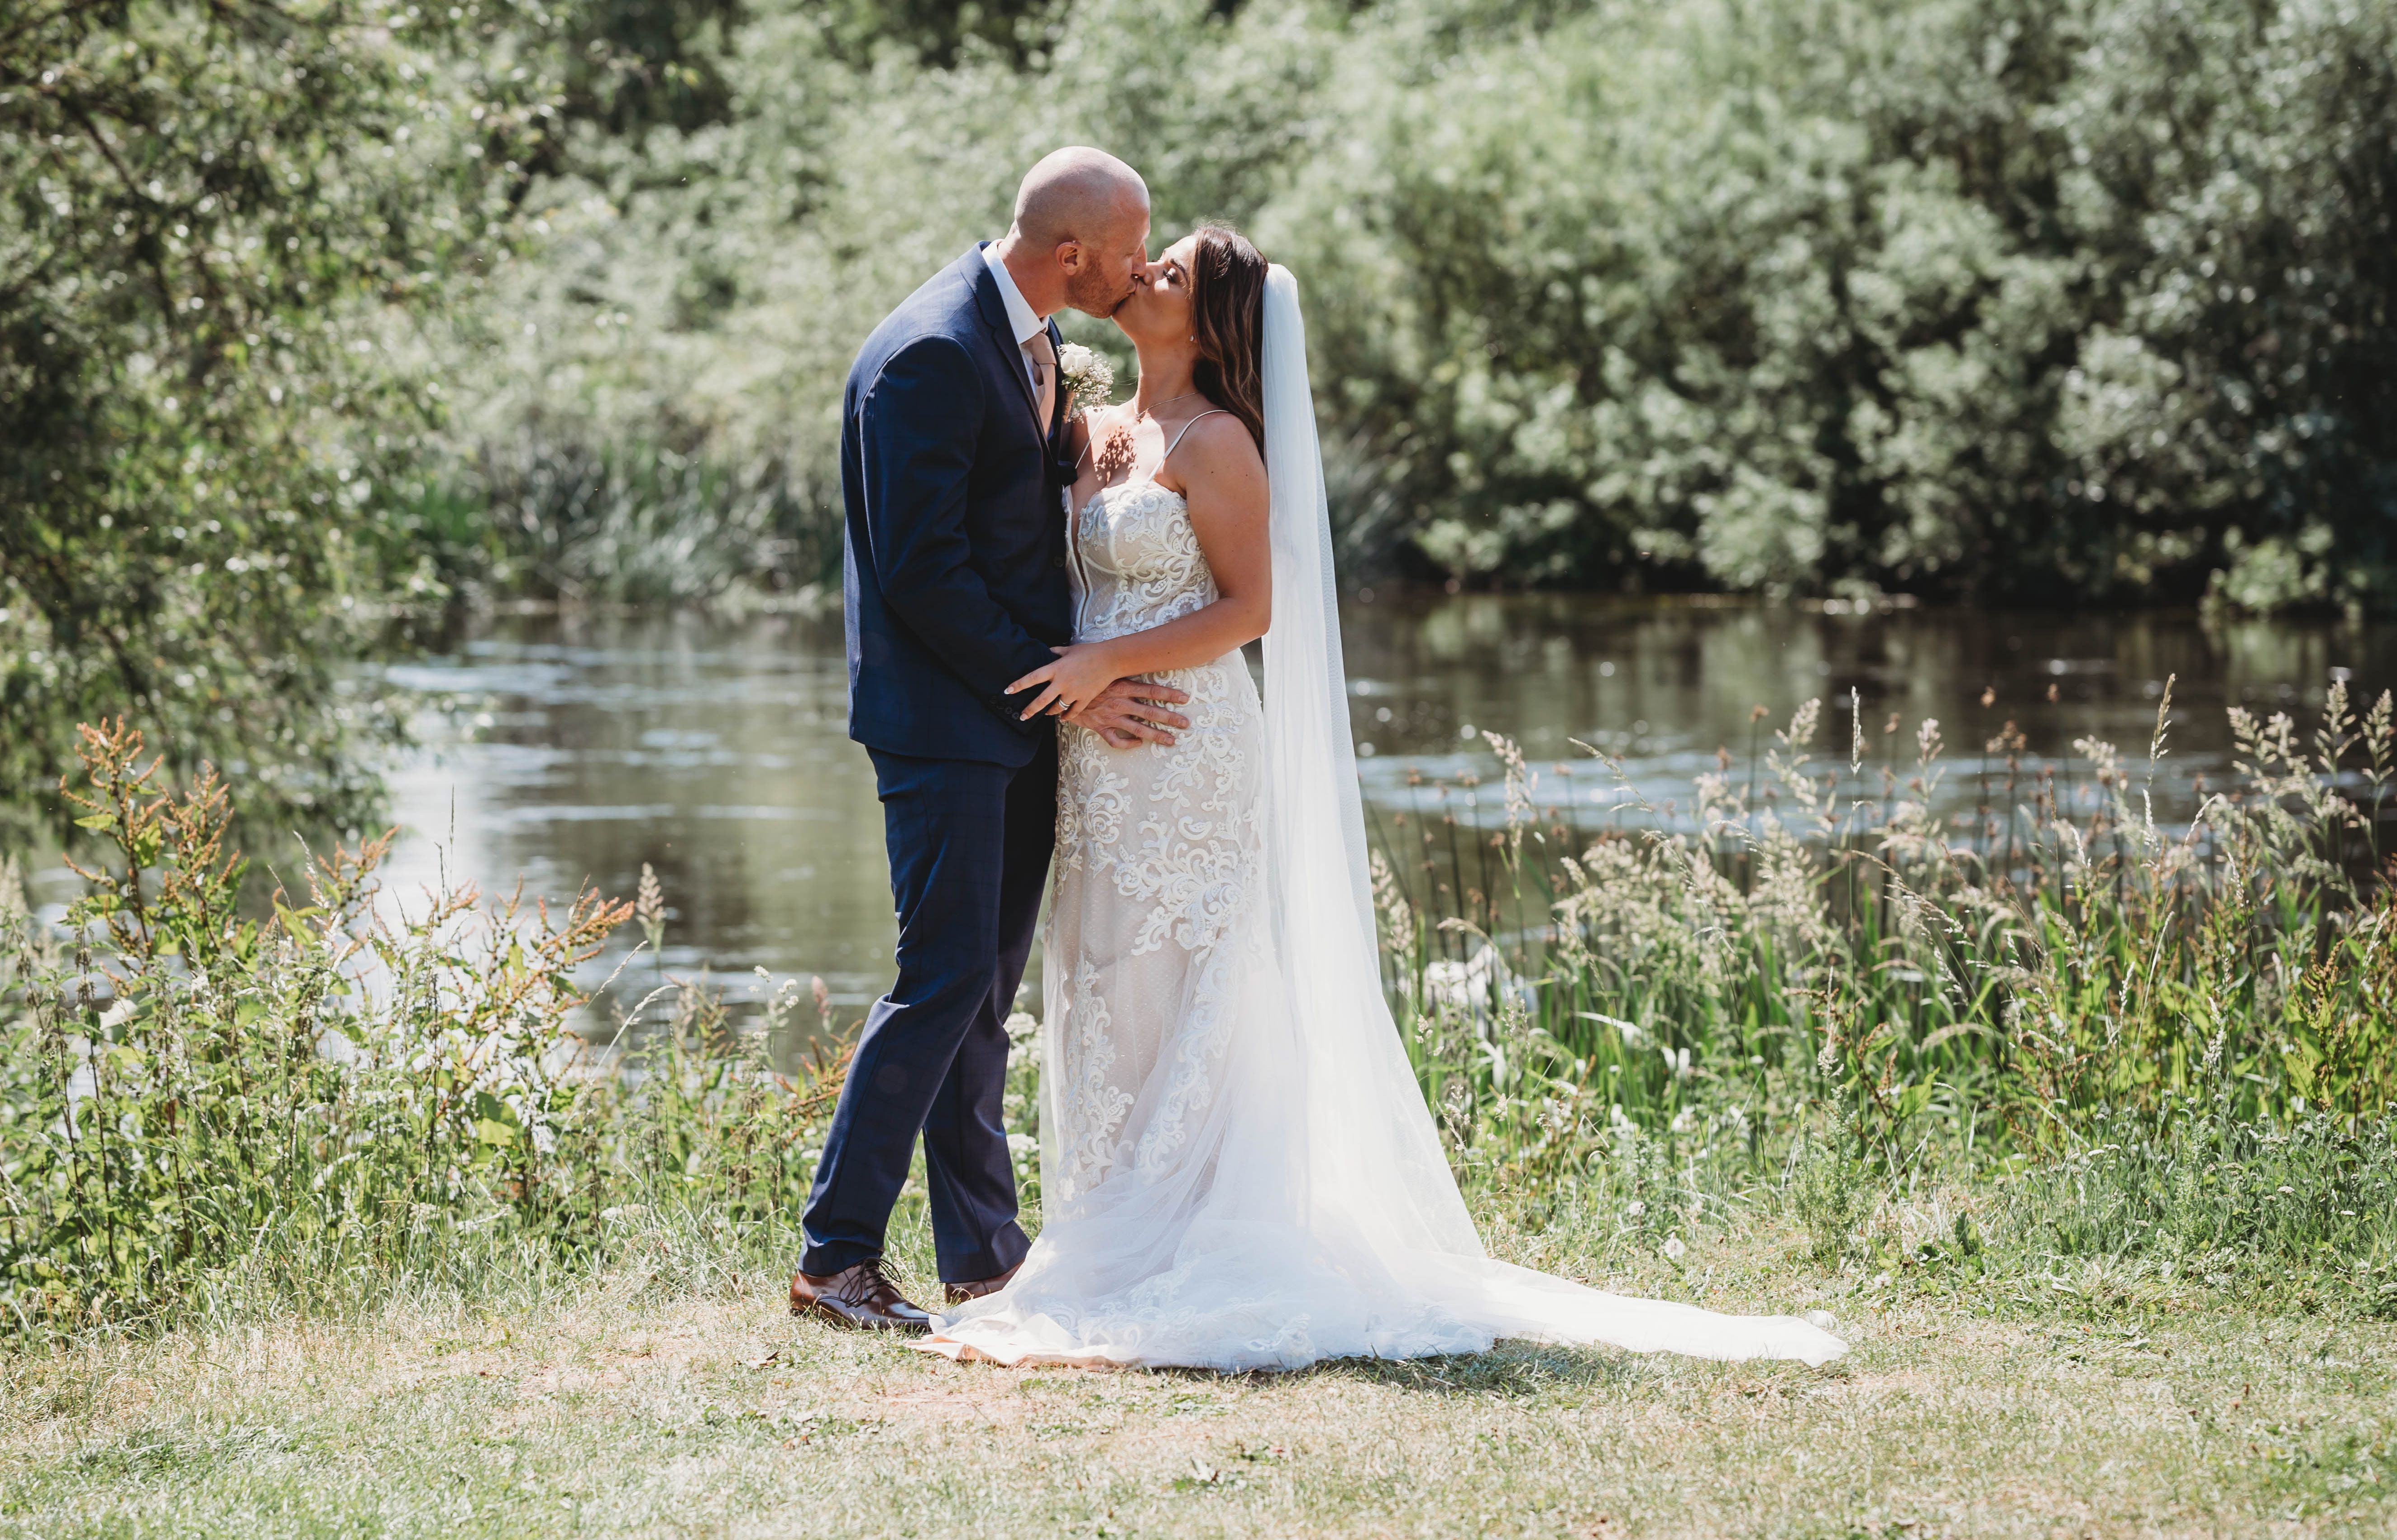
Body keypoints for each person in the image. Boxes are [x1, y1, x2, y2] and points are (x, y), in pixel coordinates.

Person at [911, 223, 1848, 1369]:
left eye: (1172, 274)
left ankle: (1195, 1235)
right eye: (1152, 263)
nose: (1146, 274)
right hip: (1100, 757)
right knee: (1104, 975)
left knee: (1191, 972)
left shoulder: (1220, 447)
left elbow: (1250, 610)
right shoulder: (1095, 429)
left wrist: (1110, 665)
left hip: (1191, 746)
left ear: (1213, 325)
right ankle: (1107, 1225)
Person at [790, 148, 1191, 1329]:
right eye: (1132, 243)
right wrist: (1068, 686)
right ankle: (833, 1260)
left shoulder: (1030, 343)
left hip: (1008, 721)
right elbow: (924, 575)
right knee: (942, 979)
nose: (1142, 263)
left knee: (981, 990)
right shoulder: (929, 350)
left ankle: (982, 1255)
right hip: (946, 727)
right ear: (1075, 253)